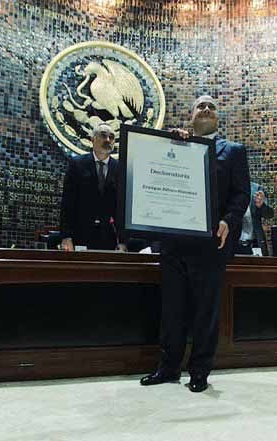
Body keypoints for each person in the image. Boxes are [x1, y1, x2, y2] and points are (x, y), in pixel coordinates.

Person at [140, 95, 250, 392]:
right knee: (172, 310)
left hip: (211, 244)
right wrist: (171, 143)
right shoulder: (178, 144)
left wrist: (229, 219)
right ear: (191, 117)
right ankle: (168, 368)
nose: (205, 109)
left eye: (211, 107)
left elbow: (241, 194)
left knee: (205, 311)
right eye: (200, 106)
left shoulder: (234, 151)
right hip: (175, 243)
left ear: (217, 118)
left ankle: (199, 372)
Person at [60, 123, 125, 251]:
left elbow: (121, 209)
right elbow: (67, 203)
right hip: (80, 235)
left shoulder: (120, 169)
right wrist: (66, 236)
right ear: (92, 139)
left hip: (109, 238)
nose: (108, 140)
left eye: (111, 137)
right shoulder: (77, 164)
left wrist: (122, 241)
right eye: (103, 135)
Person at [236, 181, 274, 255]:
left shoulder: (257, 189)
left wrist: (262, 206)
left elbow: (269, 215)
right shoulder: (228, 189)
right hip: (234, 243)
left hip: (254, 243)